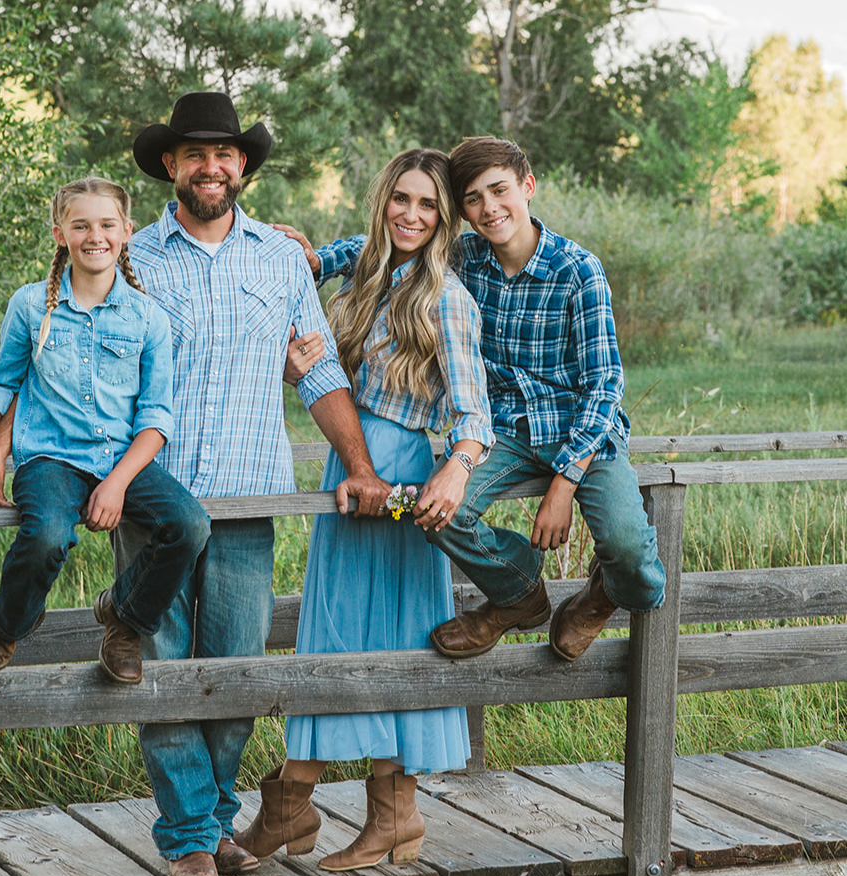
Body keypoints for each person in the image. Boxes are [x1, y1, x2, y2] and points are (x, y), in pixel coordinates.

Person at [0, 92, 388, 876]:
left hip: (252, 496)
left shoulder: (283, 259)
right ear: (171, 167)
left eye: (225, 153)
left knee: (237, 669)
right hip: (155, 492)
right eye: (194, 154)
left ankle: (216, 821)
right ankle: (186, 832)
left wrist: (357, 464)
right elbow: (47, 368)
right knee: (161, 661)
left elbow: (316, 370)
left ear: (242, 166)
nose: (210, 166)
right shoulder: (131, 256)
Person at [283, 136, 665, 665]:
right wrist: (315, 261)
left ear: (528, 188)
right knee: (440, 511)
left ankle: (603, 595)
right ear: (461, 211)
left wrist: (563, 484)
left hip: (582, 432)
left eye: (500, 191)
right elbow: (387, 242)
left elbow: (605, 387)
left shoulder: (578, 271)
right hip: (502, 430)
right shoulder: (466, 257)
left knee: (629, 551)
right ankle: (518, 593)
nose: (489, 208)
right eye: (473, 198)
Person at [236, 148, 493, 872]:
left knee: (392, 636)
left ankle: (353, 812)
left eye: (428, 206)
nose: (411, 215)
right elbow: (322, 364)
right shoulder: (365, 278)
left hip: (403, 483)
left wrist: (455, 468)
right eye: (400, 200)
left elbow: (475, 413)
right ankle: (347, 811)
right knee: (333, 631)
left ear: (444, 220)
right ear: (382, 202)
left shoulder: (447, 297)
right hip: (349, 471)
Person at [0, 177, 210, 685]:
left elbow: (155, 418)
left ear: (127, 231)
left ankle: (124, 620)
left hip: (121, 460)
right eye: (80, 225)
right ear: (60, 234)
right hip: (50, 459)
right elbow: (1, 383)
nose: (94, 235)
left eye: (107, 224)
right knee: (46, 537)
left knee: (189, 525)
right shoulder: (30, 305)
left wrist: (118, 483)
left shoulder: (147, 317)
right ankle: (7, 626)